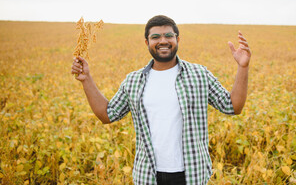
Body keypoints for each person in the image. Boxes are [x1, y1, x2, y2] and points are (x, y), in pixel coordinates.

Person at [71, 15, 251, 185]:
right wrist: (86, 79)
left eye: (169, 36)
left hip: (192, 175)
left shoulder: (199, 75)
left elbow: (233, 106)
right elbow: (106, 115)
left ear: (177, 40)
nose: (163, 41)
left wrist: (243, 67)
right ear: (147, 42)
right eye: (155, 37)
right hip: (148, 175)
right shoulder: (133, 81)